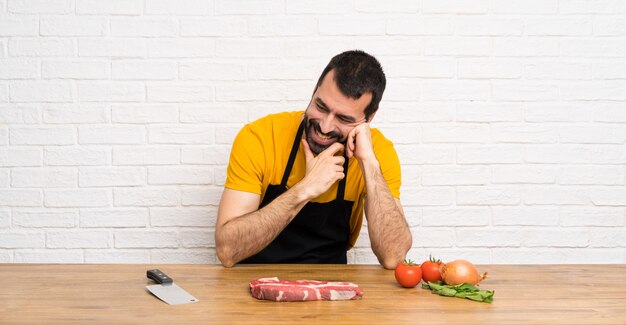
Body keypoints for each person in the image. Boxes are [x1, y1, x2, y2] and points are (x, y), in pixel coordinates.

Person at [215, 50, 412, 269]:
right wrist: (305, 189)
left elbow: (393, 257)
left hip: (332, 291)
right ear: (314, 92)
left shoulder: (378, 152)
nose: (325, 127)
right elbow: (227, 251)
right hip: (253, 286)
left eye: (344, 119)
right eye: (321, 107)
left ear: (368, 118)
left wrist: (368, 163)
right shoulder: (260, 137)